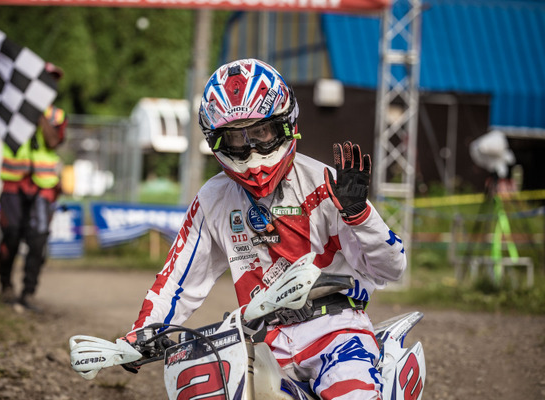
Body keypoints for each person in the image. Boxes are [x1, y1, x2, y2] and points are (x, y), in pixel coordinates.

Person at [121, 59, 406, 399]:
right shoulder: (213, 198)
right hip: (261, 343)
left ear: (285, 125)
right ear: (217, 141)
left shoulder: (327, 184)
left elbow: (391, 269)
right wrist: (144, 332)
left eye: (260, 132)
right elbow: (180, 278)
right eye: (236, 138)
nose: (251, 149)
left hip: (337, 331)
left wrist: (360, 216)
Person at [0, 62, 68, 311]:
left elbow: (52, 141)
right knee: (11, 235)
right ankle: (6, 286)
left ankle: (28, 293)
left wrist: (38, 114)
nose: (51, 84)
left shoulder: (56, 116)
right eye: (46, 79)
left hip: (43, 187)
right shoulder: (11, 108)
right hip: (14, 184)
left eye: (54, 80)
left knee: (37, 241)